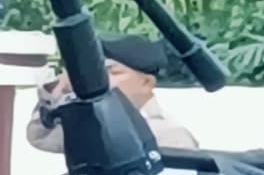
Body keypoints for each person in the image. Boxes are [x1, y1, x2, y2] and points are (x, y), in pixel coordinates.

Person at [39, 32, 202, 153]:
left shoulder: (171, 135)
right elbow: (41, 136)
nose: (102, 82)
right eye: (98, 74)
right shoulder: (97, 122)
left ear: (146, 83)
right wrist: (57, 89)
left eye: (112, 72)